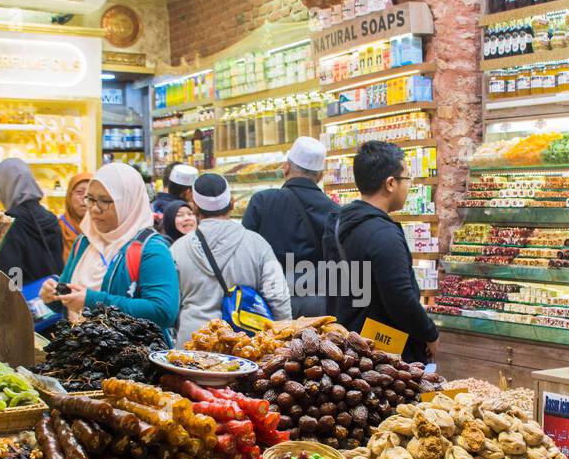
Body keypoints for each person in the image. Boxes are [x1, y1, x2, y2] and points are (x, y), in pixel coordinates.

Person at [323, 141, 438, 364]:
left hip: (347, 346)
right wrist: (429, 333)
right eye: (406, 179)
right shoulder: (383, 233)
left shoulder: (338, 224)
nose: (408, 186)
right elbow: (400, 297)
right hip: (382, 354)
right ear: (390, 183)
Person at [41, 160, 179, 339]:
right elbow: (69, 300)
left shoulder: (151, 249)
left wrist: (92, 301)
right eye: (90, 199)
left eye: (105, 201)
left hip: (130, 361)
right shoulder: (84, 242)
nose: (94, 209)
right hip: (81, 356)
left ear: (128, 202)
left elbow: (164, 311)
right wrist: (53, 296)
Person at [172, 173, 291, 345]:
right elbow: (278, 297)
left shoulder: (177, 249)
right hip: (245, 346)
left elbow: (171, 304)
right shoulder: (257, 244)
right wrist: (283, 340)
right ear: (232, 203)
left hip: (193, 343)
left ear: (195, 207)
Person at [243, 136, 337, 316]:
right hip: (319, 301)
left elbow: (246, 253)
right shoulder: (334, 211)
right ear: (320, 176)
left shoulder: (262, 201)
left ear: (285, 167)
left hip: (269, 300)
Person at [0, 158, 64, 284]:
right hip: (50, 297)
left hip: (23, 300)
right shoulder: (50, 218)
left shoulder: (10, 222)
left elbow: (7, 274)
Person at [57, 171, 92, 261]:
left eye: (90, 194)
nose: (85, 197)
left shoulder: (104, 231)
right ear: (69, 196)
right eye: (80, 192)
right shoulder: (58, 228)